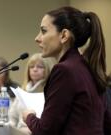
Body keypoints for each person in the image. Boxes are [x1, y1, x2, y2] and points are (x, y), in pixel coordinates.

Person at [22, 6, 111, 135]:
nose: (37, 38)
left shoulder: (64, 71)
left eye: (44, 31)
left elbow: (45, 131)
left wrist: (29, 116)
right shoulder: (88, 67)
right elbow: (106, 123)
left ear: (64, 35)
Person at [9, 53, 54, 134]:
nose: (35, 69)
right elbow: (12, 117)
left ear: (46, 69)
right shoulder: (23, 90)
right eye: (32, 67)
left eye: (40, 67)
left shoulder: (50, 91)